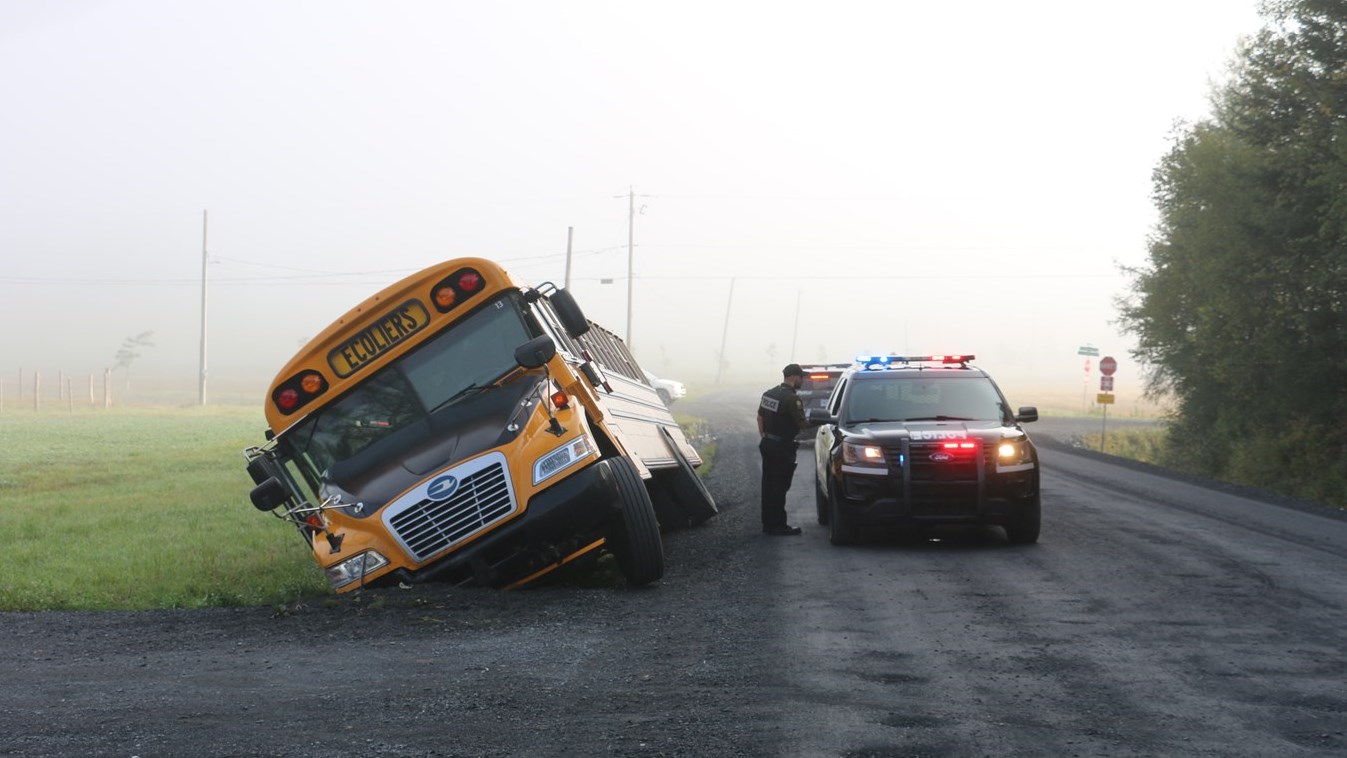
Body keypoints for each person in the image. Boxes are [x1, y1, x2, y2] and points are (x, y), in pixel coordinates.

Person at [757, 363, 807, 535]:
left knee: (768, 485)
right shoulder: (792, 398)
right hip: (782, 447)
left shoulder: (769, 394)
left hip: (768, 443)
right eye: (801, 377)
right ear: (793, 377)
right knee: (780, 486)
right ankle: (779, 525)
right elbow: (803, 424)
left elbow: (760, 417)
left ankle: (768, 524)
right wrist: (824, 421)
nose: (802, 380)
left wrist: (765, 436)